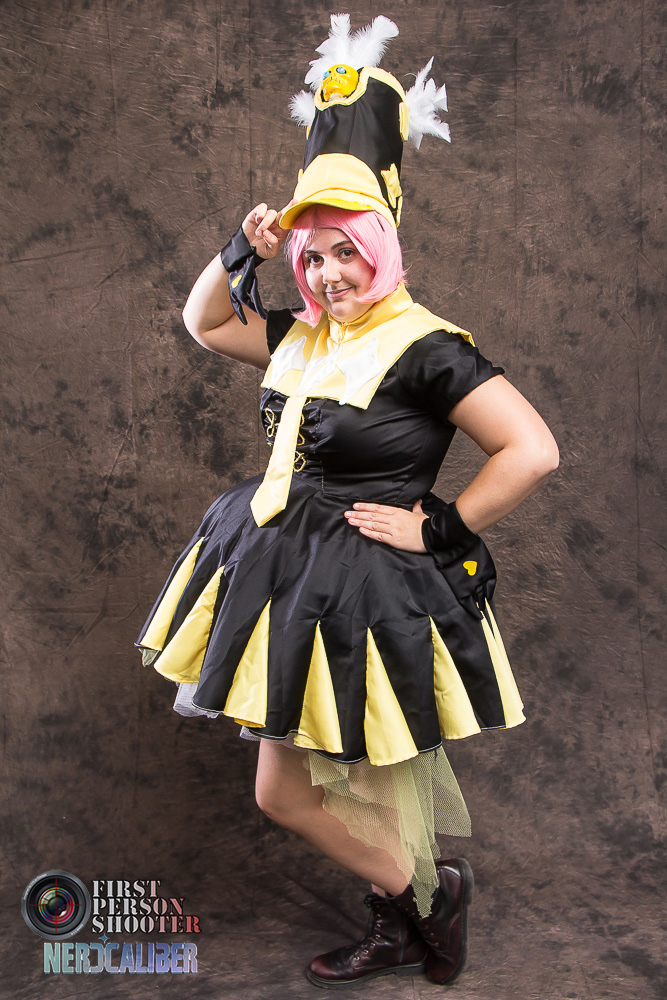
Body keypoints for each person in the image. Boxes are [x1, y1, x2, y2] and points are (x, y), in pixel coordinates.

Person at [137, 15, 559, 990]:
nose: (328, 275)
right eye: (312, 255)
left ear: (382, 245)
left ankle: (426, 898)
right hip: (287, 576)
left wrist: (437, 523)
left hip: (364, 590)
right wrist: (240, 250)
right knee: (319, 782)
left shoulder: (426, 345)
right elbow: (205, 322)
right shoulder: (303, 337)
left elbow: (531, 450)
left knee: (309, 785)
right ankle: (411, 907)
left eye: (345, 252)